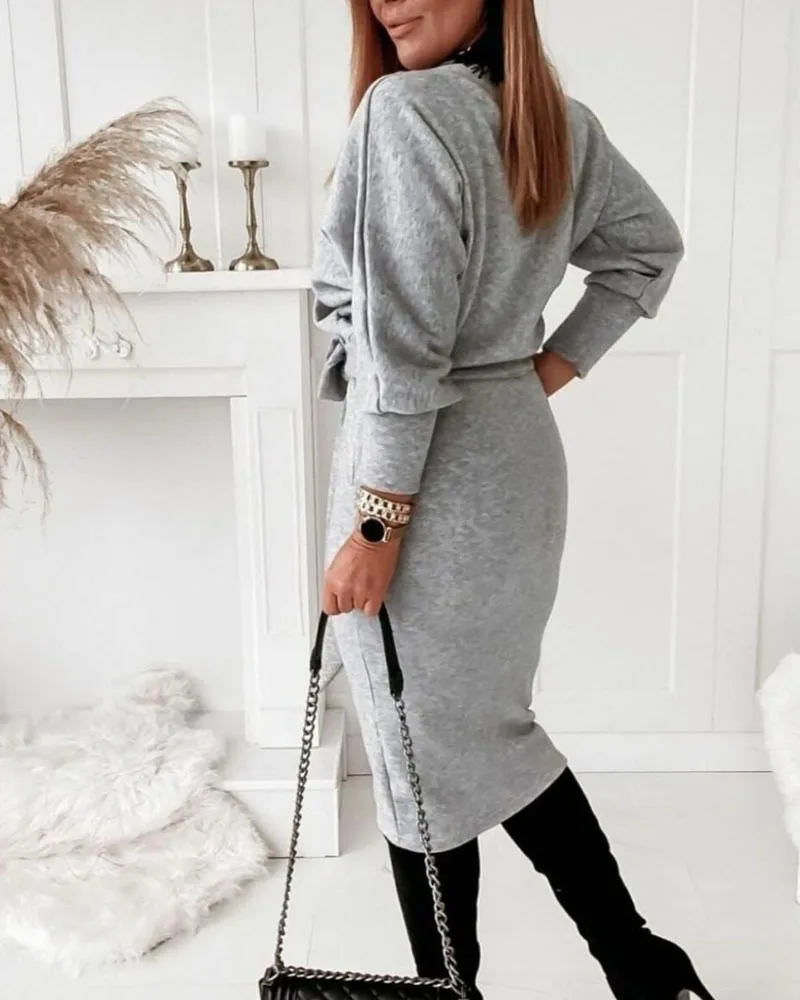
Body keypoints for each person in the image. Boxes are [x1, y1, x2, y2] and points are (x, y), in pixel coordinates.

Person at [312, 2, 714, 999]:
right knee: (483, 731)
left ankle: (457, 991)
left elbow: (403, 354)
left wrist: (375, 524)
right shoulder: (556, 122)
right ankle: (642, 965)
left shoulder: (405, 111)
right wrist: (539, 371)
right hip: (514, 463)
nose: (386, 2)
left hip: (425, 483)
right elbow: (648, 250)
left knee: (415, 755)